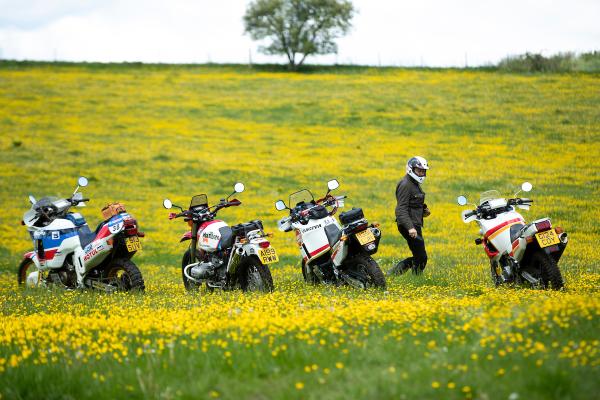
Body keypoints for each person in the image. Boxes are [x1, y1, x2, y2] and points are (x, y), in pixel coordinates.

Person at [388, 156, 431, 275]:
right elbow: (401, 209)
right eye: (419, 171)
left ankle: (408, 276)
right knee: (421, 257)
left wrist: (423, 212)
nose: (422, 174)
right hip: (409, 225)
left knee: (419, 256)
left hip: (414, 224)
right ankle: (394, 273)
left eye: (423, 171)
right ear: (411, 169)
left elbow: (413, 204)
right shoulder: (406, 184)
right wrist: (410, 227)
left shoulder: (414, 183)